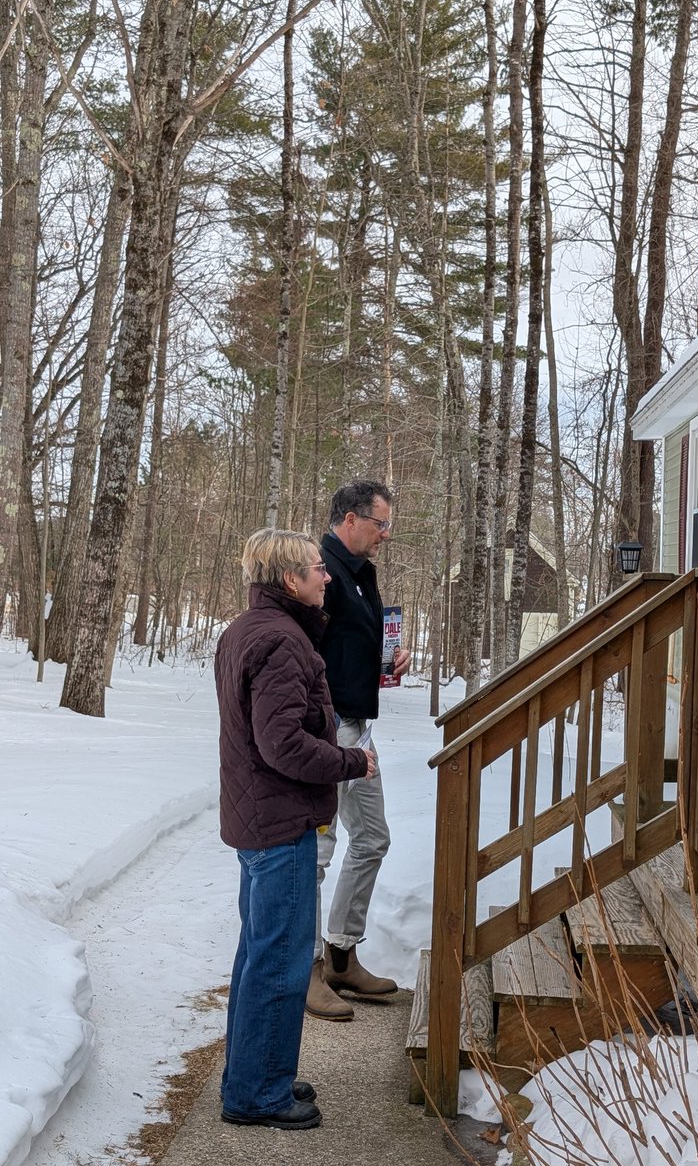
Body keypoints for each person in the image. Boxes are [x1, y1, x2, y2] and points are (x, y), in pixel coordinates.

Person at [215, 528, 376, 1129]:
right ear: (290, 580)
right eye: (316, 568)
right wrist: (351, 762)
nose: (326, 574)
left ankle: (256, 1075)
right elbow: (281, 743)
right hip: (278, 823)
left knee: (259, 956)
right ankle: (256, 1096)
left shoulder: (247, 630)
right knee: (280, 962)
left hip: (261, 819)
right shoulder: (282, 642)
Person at [305, 480, 412, 1021]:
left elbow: (345, 648)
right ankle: (306, 972)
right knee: (317, 855)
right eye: (380, 523)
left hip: (359, 728)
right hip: (328, 733)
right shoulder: (317, 572)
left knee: (372, 838)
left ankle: (342, 955)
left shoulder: (362, 576)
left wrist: (384, 662)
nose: (386, 534)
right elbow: (303, 655)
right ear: (350, 520)